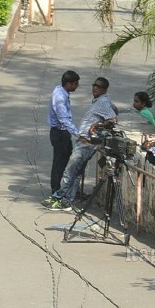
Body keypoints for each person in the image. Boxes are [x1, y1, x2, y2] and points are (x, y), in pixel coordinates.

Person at [49, 76, 119, 209]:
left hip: (87, 142)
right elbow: (113, 110)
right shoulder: (101, 101)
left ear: (105, 89)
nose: (95, 88)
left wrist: (97, 125)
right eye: (94, 85)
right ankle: (67, 200)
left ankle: (58, 197)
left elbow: (113, 119)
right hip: (85, 141)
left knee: (70, 171)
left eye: (99, 87)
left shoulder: (103, 101)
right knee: (76, 172)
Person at [47, 70, 80, 196]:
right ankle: (56, 190)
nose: (77, 86)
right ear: (69, 84)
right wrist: (78, 133)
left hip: (63, 132)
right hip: (59, 133)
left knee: (68, 161)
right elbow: (64, 119)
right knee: (59, 163)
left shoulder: (61, 91)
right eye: (75, 83)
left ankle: (67, 188)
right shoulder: (60, 98)